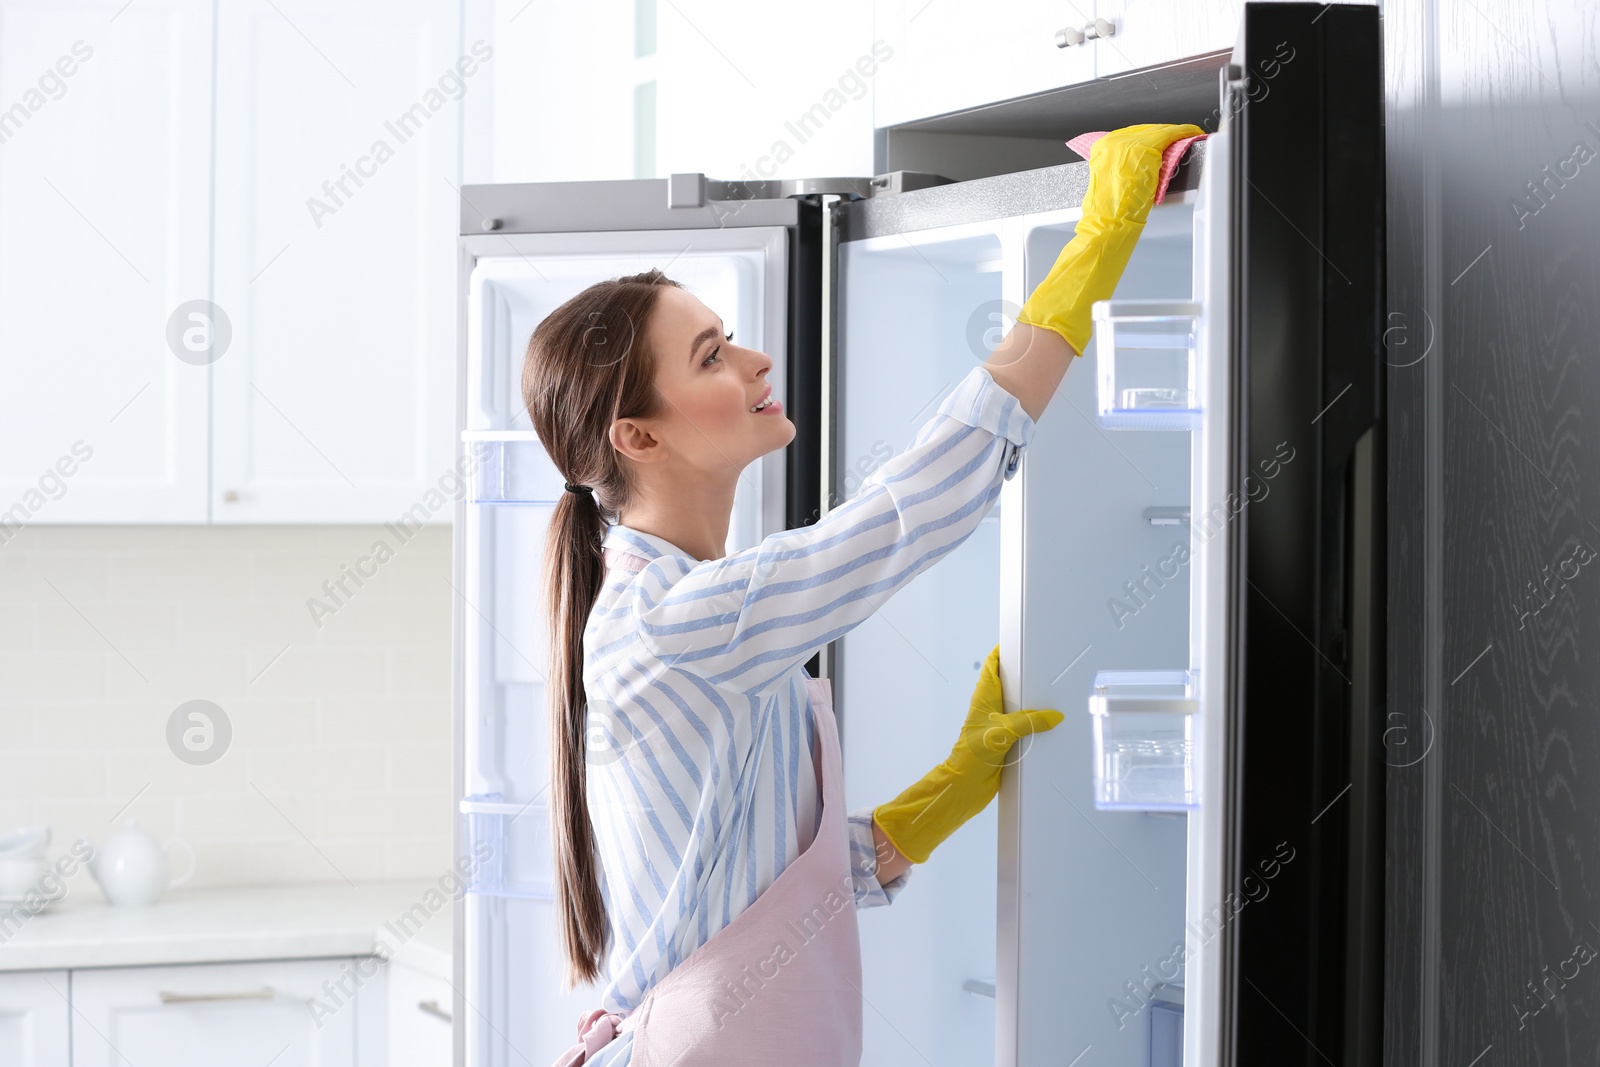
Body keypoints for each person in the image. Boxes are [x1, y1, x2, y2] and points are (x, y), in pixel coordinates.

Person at [527, 123, 1204, 1067]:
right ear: (638, 437)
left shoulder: (682, 611)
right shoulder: (684, 622)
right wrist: (1099, 237)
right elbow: (909, 511)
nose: (757, 361)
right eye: (713, 355)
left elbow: (767, 891)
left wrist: (941, 798)